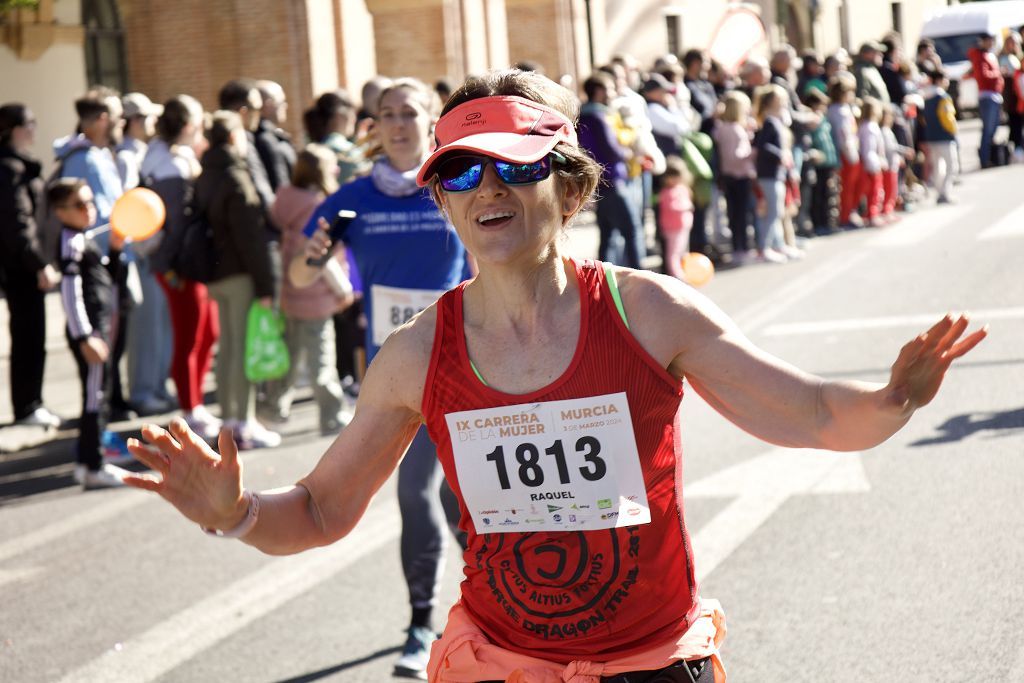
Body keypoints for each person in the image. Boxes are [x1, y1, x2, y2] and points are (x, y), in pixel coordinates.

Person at [124, 68, 986, 683]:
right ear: (444, 199)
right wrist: (232, 515)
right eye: (460, 170)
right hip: (499, 666)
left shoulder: (647, 312)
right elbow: (317, 510)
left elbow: (816, 415)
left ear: (568, 187)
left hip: (651, 666)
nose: (486, 185)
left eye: (516, 163)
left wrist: (893, 397)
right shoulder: (419, 354)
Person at [290, 78, 469, 679]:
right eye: (386, 114)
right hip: (396, 377)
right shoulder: (351, 200)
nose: (397, 124)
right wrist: (314, 255)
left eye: (409, 113)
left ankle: (498, 598)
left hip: (467, 367)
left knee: (465, 497)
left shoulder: (454, 183)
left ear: (430, 120)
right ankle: (422, 622)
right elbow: (297, 274)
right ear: (374, 125)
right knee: (416, 493)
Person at [142, 94, 223, 437]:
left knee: (207, 333)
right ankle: (190, 409)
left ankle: (196, 404)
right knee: (190, 337)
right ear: (189, 126)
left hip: (185, 262)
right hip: (179, 265)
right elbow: (174, 225)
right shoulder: (169, 165)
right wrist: (171, 267)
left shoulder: (169, 155)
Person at [198, 111, 280, 450]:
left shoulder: (204, 173)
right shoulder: (236, 176)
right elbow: (251, 238)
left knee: (228, 348)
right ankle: (242, 423)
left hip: (214, 273)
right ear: (234, 137)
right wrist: (267, 285)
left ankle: (231, 419)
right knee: (242, 348)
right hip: (241, 273)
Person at [266, 144, 353, 434]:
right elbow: (320, 258)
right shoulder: (317, 207)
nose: (337, 170)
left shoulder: (285, 201)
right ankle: (332, 414)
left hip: (291, 296)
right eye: (332, 166)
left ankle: (275, 406)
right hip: (316, 298)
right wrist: (343, 289)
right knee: (321, 364)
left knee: (290, 357)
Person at [51, 178, 130, 489]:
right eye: (79, 205)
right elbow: (71, 294)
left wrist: (116, 250)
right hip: (91, 333)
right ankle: (95, 463)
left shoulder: (85, 239)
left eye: (90, 202)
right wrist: (85, 336)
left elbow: (103, 280)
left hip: (98, 328)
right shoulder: (72, 243)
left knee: (97, 395)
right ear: (60, 212)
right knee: (96, 399)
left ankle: (87, 463)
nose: (89, 210)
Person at [0, 103, 62, 428]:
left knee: (32, 335)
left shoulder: (19, 166)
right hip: (20, 267)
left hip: (26, 264)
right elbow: (17, 224)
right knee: (27, 334)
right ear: (13, 129)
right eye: (29, 123)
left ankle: (32, 402)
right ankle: (26, 406)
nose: (34, 129)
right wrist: (39, 263)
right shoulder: (9, 169)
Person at [120, 91, 175, 417]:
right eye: (147, 118)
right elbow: (129, 206)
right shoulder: (128, 156)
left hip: (151, 253)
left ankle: (155, 386)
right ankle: (144, 391)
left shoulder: (143, 152)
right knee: (146, 327)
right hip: (141, 254)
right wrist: (142, 245)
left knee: (159, 324)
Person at [578, 72, 645, 269]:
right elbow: (611, 148)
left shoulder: (583, 116)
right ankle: (639, 275)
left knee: (607, 235)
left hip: (598, 182)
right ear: (599, 91)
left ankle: (602, 281)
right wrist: (627, 152)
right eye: (609, 89)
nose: (613, 93)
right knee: (631, 230)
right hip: (612, 181)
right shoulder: (599, 116)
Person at [712, 91, 756, 261]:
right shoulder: (735, 130)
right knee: (741, 214)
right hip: (739, 175)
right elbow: (735, 156)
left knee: (734, 213)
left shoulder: (721, 128)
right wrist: (753, 153)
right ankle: (741, 248)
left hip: (729, 176)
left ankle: (738, 246)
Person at [752, 84, 791, 263]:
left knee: (778, 212)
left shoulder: (775, 120)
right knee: (772, 212)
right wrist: (780, 155)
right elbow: (763, 147)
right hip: (769, 174)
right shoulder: (769, 122)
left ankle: (778, 244)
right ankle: (764, 248)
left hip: (776, 174)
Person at [919, 67, 959, 204]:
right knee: (951, 166)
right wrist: (953, 130)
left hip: (931, 136)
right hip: (944, 135)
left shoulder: (926, 97)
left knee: (937, 166)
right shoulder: (943, 97)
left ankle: (939, 191)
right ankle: (945, 192)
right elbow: (947, 117)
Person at [968, 33, 1005, 169]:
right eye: (988, 40)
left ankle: (989, 156)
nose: (990, 43)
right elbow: (982, 75)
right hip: (987, 95)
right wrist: (998, 73)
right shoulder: (979, 56)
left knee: (994, 127)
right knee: (988, 129)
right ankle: (984, 158)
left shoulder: (990, 55)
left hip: (995, 95)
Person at [254, 80, 297, 193]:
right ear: (268, 104)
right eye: (282, 101)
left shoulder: (270, 136)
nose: (285, 106)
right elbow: (280, 185)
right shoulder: (266, 139)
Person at [657, 156, 694, 281]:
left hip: (683, 227)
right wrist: (685, 207)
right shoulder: (666, 193)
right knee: (673, 254)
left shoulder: (683, 189)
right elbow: (671, 207)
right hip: (672, 228)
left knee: (683, 252)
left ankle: (684, 273)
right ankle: (677, 277)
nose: (674, 179)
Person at [857, 97, 887, 227]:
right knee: (874, 191)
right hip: (872, 164)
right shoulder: (870, 127)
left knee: (873, 191)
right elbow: (869, 148)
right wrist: (875, 163)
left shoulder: (865, 126)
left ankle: (872, 213)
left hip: (870, 162)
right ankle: (872, 214)